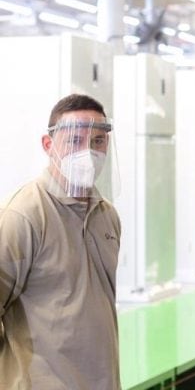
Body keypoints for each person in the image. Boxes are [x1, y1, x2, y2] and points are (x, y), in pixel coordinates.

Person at [0, 94, 121, 389]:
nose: (88, 152)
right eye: (75, 140)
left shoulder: (107, 215)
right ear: (48, 145)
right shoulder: (24, 215)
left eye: (98, 141)